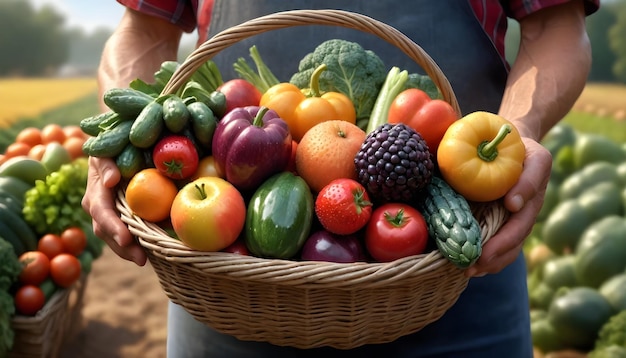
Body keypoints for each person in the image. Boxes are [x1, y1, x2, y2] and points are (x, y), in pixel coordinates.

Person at [83, 1, 598, 357]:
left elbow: (556, 25)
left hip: (457, 259)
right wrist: (127, 134)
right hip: (227, 284)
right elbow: (144, 30)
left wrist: (521, 131)